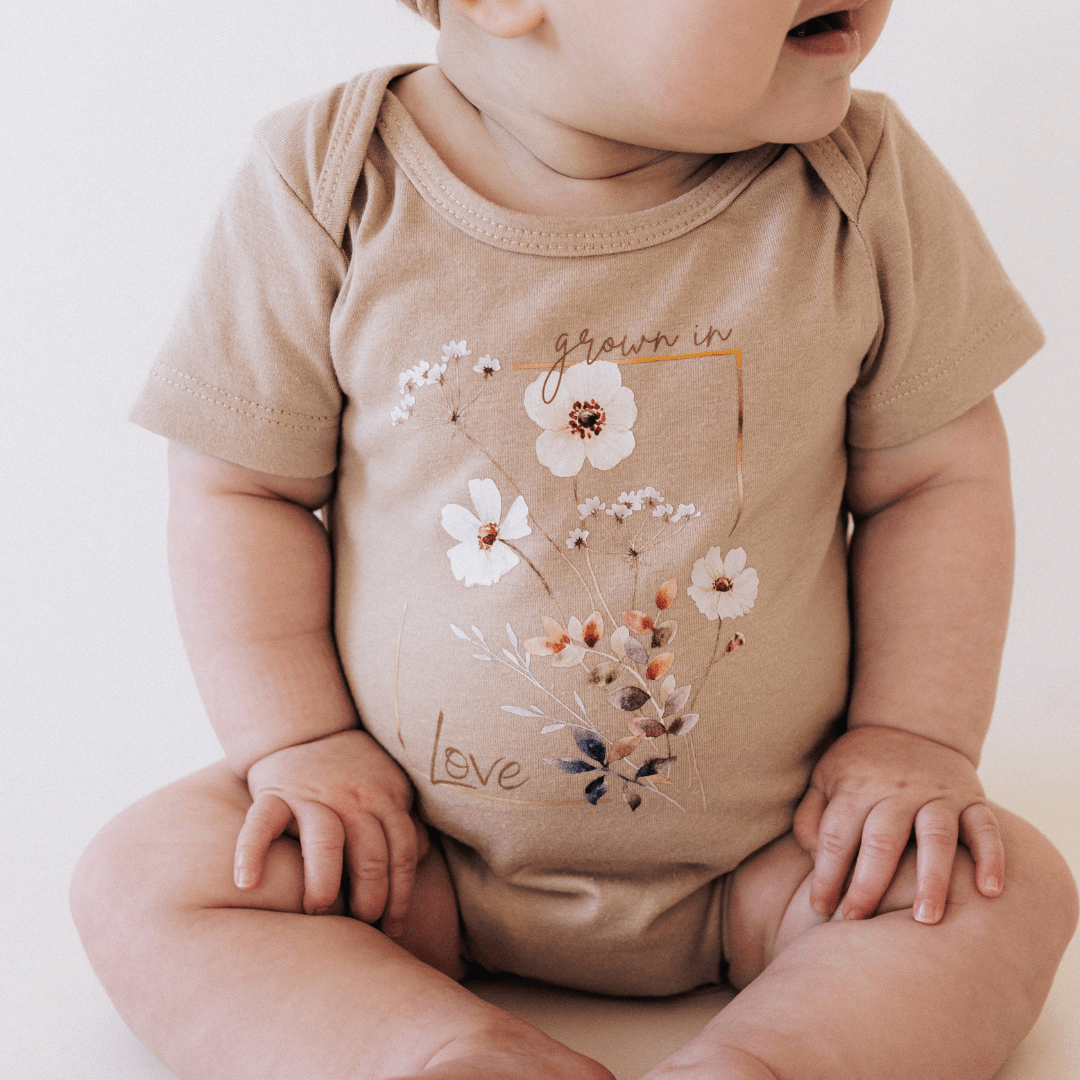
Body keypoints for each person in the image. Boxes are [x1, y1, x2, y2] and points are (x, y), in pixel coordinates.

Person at [70, 1, 1078, 1078]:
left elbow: (933, 482)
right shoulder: (333, 183)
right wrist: (300, 745)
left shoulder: (858, 186)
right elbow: (244, 491)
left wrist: (913, 739)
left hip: (784, 856)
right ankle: (438, 1055)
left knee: (1002, 887)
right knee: (145, 877)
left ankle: (769, 1061)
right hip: (405, 856)